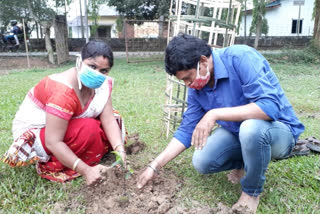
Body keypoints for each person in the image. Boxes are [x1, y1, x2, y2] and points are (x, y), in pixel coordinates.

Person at [137, 34, 305, 213]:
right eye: (183, 81)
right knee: (202, 160)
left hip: (278, 132)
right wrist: (155, 165)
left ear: (202, 61)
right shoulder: (197, 87)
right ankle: (245, 161)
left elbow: (269, 107)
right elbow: (186, 130)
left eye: (188, 77)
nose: (188, 84)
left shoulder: (241, 57)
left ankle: (251, 192)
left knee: (251, 129)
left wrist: (214, 114)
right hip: (239, 133)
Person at [1, 40, 126, 185]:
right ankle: (52, 164)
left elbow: (109, 120)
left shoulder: (102, 85)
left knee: (114, 122)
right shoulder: (63, 91)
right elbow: (53, 141)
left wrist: (120, 152)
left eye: (103, 71)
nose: (97, 74)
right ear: (79, 62)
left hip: (66, 126)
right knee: (88, 129)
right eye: (92, 66)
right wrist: (86, 170)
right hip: (41, 133)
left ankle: (81, 153)